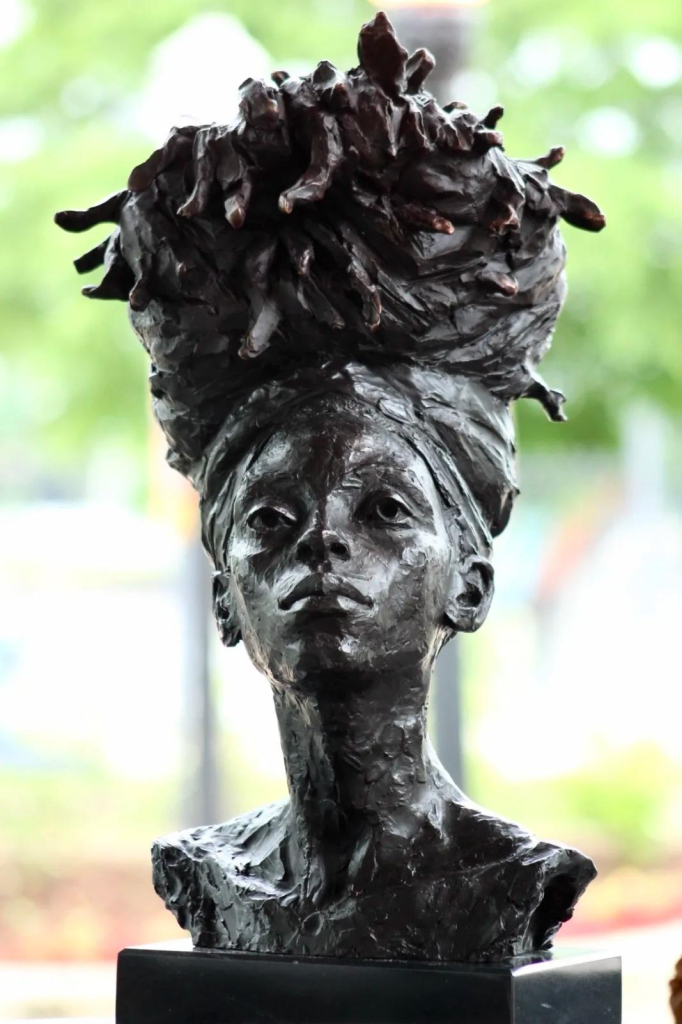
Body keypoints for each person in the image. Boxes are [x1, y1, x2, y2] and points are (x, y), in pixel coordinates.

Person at [56, 12, 604, 962]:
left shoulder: (510, 883)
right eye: (271, 520)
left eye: (387, 510)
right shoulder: (210, 875)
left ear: (469, 583)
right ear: (227, 596)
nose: (322, 541)